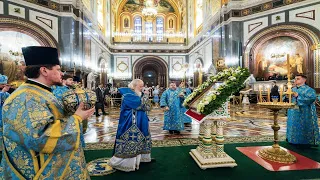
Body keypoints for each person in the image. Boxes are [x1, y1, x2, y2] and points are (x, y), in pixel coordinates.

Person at [1, 46, 95, 179]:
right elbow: (40, 137)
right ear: (44, 70)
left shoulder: (41, 92)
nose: (62, 73)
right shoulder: (27, 97)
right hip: (38, 171)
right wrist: (76, 118)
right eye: (58, 69)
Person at [108, 79, 152, 172]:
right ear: (134, 86)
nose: (142, 88)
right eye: (140, 86)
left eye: (142, 86)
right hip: (130, 122)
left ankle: (140, 159)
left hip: (141, 120)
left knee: (142, 137)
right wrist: (146, 96)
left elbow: (148, 107)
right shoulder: (128, 95)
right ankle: (126, 163)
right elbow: (141, 105)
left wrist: (145, 97)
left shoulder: (140, 94)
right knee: (131, 139)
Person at [287, 74, 319, 147]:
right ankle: (292, 140)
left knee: (303, 125)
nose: (295, 80)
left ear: (304, 80)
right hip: (293, 112)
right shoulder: (293, 89)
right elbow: (288, 99)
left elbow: (311, 99)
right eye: (295, 79)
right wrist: (287, 95)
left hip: (304, 112)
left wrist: (298, 96)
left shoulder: (309, 90)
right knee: (293, 124)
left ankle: (304, 142)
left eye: (298, 79)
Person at [0, 74, 10, 152]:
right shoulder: (3, 92)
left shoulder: (6, 94)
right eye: (2, 84)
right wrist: (2, 92)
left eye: (5, 84)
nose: (4, 86)